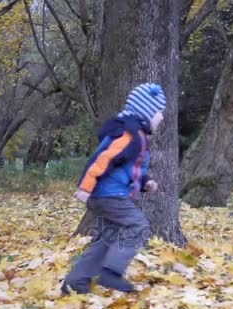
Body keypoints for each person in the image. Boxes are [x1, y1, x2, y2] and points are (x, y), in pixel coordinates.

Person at [61, 83, 166, 294]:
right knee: (137, 226)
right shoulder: (129, 136)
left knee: (107, 237)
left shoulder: (134, 134)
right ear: (146, 112)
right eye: (158, 113)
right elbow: (103, 159)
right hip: (108, 194)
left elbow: (127, 167)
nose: (161, 118)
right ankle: (111, 272)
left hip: (107, 194)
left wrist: (145, 182)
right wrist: (86, 186)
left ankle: (76, 282)